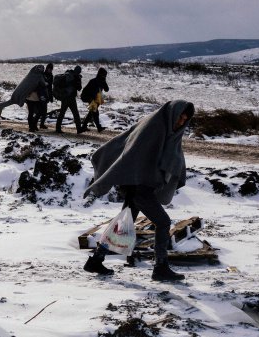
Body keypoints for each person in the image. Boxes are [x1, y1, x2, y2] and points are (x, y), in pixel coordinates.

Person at [82, 100, 195, 282]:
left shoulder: (168, 129)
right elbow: (132, 151)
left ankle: (96, 260)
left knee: (124, 224)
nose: (181, 122)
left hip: (141, 186)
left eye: (185, 120)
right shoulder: (154, 127)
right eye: (180, 118)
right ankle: (160, 268)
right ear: (173, 113)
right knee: (163, 222)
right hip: (138, 187)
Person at [0, 64, 47, 132]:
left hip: (35, 98)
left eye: (42, 69)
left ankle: (33, 126)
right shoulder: (35, 76)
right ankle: (31, 127)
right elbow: (39, 84)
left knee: (36, 112)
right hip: (31, 98)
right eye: (40, 69)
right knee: (33, 112)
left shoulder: (31, 75)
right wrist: (45, 84)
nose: (41, 70)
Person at [54, 65, 84, 134]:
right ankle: (79, 129)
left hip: (66, 97)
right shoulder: (75, 77)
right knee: (75, 114)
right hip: (70, 98)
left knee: (62, 113)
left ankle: (58, 128)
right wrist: (78, 80)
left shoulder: (68, 74)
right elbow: (79, 88)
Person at [81, 67, 109, 132]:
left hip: (95, 99)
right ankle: (98, 127)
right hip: (90, 98)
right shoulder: (94, 81)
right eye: (104, 75)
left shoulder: (100, 81)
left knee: (91, 113)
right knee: (95, 113)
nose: (105, 76)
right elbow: (89, 92)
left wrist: (104, 81)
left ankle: (84, 126)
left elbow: (107, 89)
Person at [37, 62, 54, 129]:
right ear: (47, 68)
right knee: (41, 110)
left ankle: (41, 124)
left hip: (46, 95)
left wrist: (51, 96)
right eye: (49, 68)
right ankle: (35, 124)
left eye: (51, 69)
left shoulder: (51, 76)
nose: (50, 70)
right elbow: (39, 85)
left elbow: (50, 87)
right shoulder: (42, 75)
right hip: (41, 94)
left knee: (44, 111)